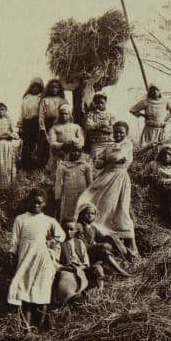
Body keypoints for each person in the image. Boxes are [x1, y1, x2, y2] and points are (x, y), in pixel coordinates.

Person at [77, 120, 138, 254]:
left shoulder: (127, 144)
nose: (117, 135)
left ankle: (130, 245)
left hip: (118, 178)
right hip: (105, 177)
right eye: (115, 132)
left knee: (118, 209)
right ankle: (98, 236)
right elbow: (98, 163)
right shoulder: (109, 146)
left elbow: (119, 157)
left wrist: (107, 160)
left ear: (126, 134)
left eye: (121, 132)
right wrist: (103, 160)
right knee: (86, 198)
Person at [8, 190, 65, 330]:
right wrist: (12, 254)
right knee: (24, 290)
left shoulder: (49, 220)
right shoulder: (20, 219)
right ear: (28, 202)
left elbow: (61, 235)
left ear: (44, 204)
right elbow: (14, 241)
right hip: (25, 258)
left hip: (43, 259)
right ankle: (26, 327)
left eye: (39, 202)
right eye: (33, 201)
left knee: (42, 291)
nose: (36, 205)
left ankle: (40, 327)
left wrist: (52, 242)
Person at [63, 202, 132, 286]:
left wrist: (110, 239)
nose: (90, 215)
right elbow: (82, 247)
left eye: (92, 213)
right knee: (102, 250)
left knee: (111, 238)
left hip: (93, 250)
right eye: (87, 213)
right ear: (81, 214)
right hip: (85, 254)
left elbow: (101, 237)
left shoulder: (92, 227)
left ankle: (126, 259)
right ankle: (121, 272)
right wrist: (101, 245)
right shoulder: (78, 226)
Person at [53, 141, 94, 224]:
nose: (76, 153)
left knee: (82, 216)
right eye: (73, 151)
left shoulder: (85, 166)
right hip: (68, 196)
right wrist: (58, 198)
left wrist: (91, 196)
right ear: (68, 152)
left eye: (79, 151)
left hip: (82, 195)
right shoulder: (62, 166)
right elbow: (58, 184)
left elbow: (90, 183)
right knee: (68, 217)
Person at [36, 79, 69, 168]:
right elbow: (41, 115)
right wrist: (42, 128)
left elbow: (68, 113)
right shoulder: (45, 100)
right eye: (52, 88)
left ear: (59, 89)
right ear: (49, 89)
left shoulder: (63, 101)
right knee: (46, 145)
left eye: (56, 87)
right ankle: (45, 168)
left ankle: (59, 167)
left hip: (59, 124)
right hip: (48, 124)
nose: (54, 89)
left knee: (59, 144)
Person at [0, 102, 20, 189]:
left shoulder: (9, 121)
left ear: (5, 111)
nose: (0, 111)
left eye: (2, 109)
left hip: (8, 146)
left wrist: (8, 135)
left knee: (7, 166)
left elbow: (15, 135)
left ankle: (8, 187)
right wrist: (6, 133)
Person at [47, 103, 85, 172]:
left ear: (70, 115)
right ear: (59, 115)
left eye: (66, 114)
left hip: (74, 155)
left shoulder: (76, 127)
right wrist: (63, 145)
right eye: (62, 114)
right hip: (60, 155)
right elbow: (52, 144)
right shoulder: (54, 128)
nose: (64, 116)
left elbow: (81, 141)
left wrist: (74, 143)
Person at [18, 77, 45, 171]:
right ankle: (26, 166)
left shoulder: (41, 98)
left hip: (36, 122)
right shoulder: (26, 98)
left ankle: (37, 167)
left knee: (37, 144)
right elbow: (22, 113)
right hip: (27, 123)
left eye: (37, 87)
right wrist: (20, 126)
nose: (35, 89)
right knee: (26, 145)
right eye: (33, 87)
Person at [84, 92, 117, 161]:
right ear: (95, 103)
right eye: (98, 102)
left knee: (110, 161)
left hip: (110, 142)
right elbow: (89, 127)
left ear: (105, 102)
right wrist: (102, 124)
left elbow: (113, 129)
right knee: (94, 163)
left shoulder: (111, 114)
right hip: (96, 143)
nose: (100, 104)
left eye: (102, 102)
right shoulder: (91, 114)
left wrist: (96, 127)